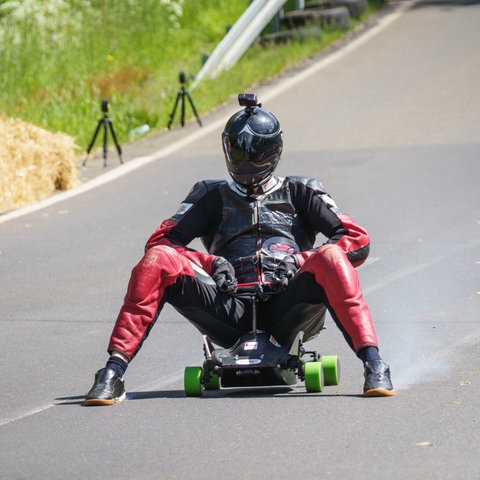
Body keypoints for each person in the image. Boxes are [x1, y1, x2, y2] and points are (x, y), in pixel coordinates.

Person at [84, 94, 395, 405]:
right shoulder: (209, 193)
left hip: (287, 306)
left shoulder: (302, 190)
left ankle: (374, 365)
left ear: (273, 151)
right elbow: (160, 244)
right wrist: (208, 263)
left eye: (253, 153)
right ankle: (112, 373)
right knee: (156, 261)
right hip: (228, 306)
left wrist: (301, 260)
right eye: (236, 150)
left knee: (331, 256)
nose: (244, 161)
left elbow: (357, 238)